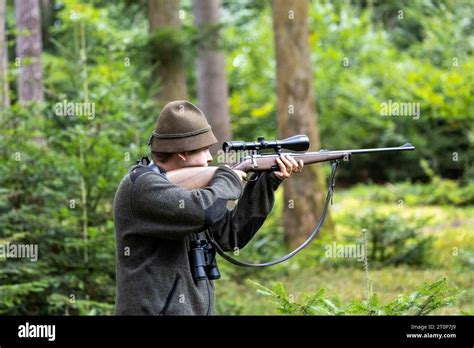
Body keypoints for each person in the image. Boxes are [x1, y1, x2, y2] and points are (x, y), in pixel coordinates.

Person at [113, 100, 303, 315]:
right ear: (183, 153)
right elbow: (205, 212)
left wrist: (267, 182)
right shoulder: (140, 186)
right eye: (204, 150)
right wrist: (227, 177)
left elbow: (231, 236)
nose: (211, 158)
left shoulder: (191, 191)